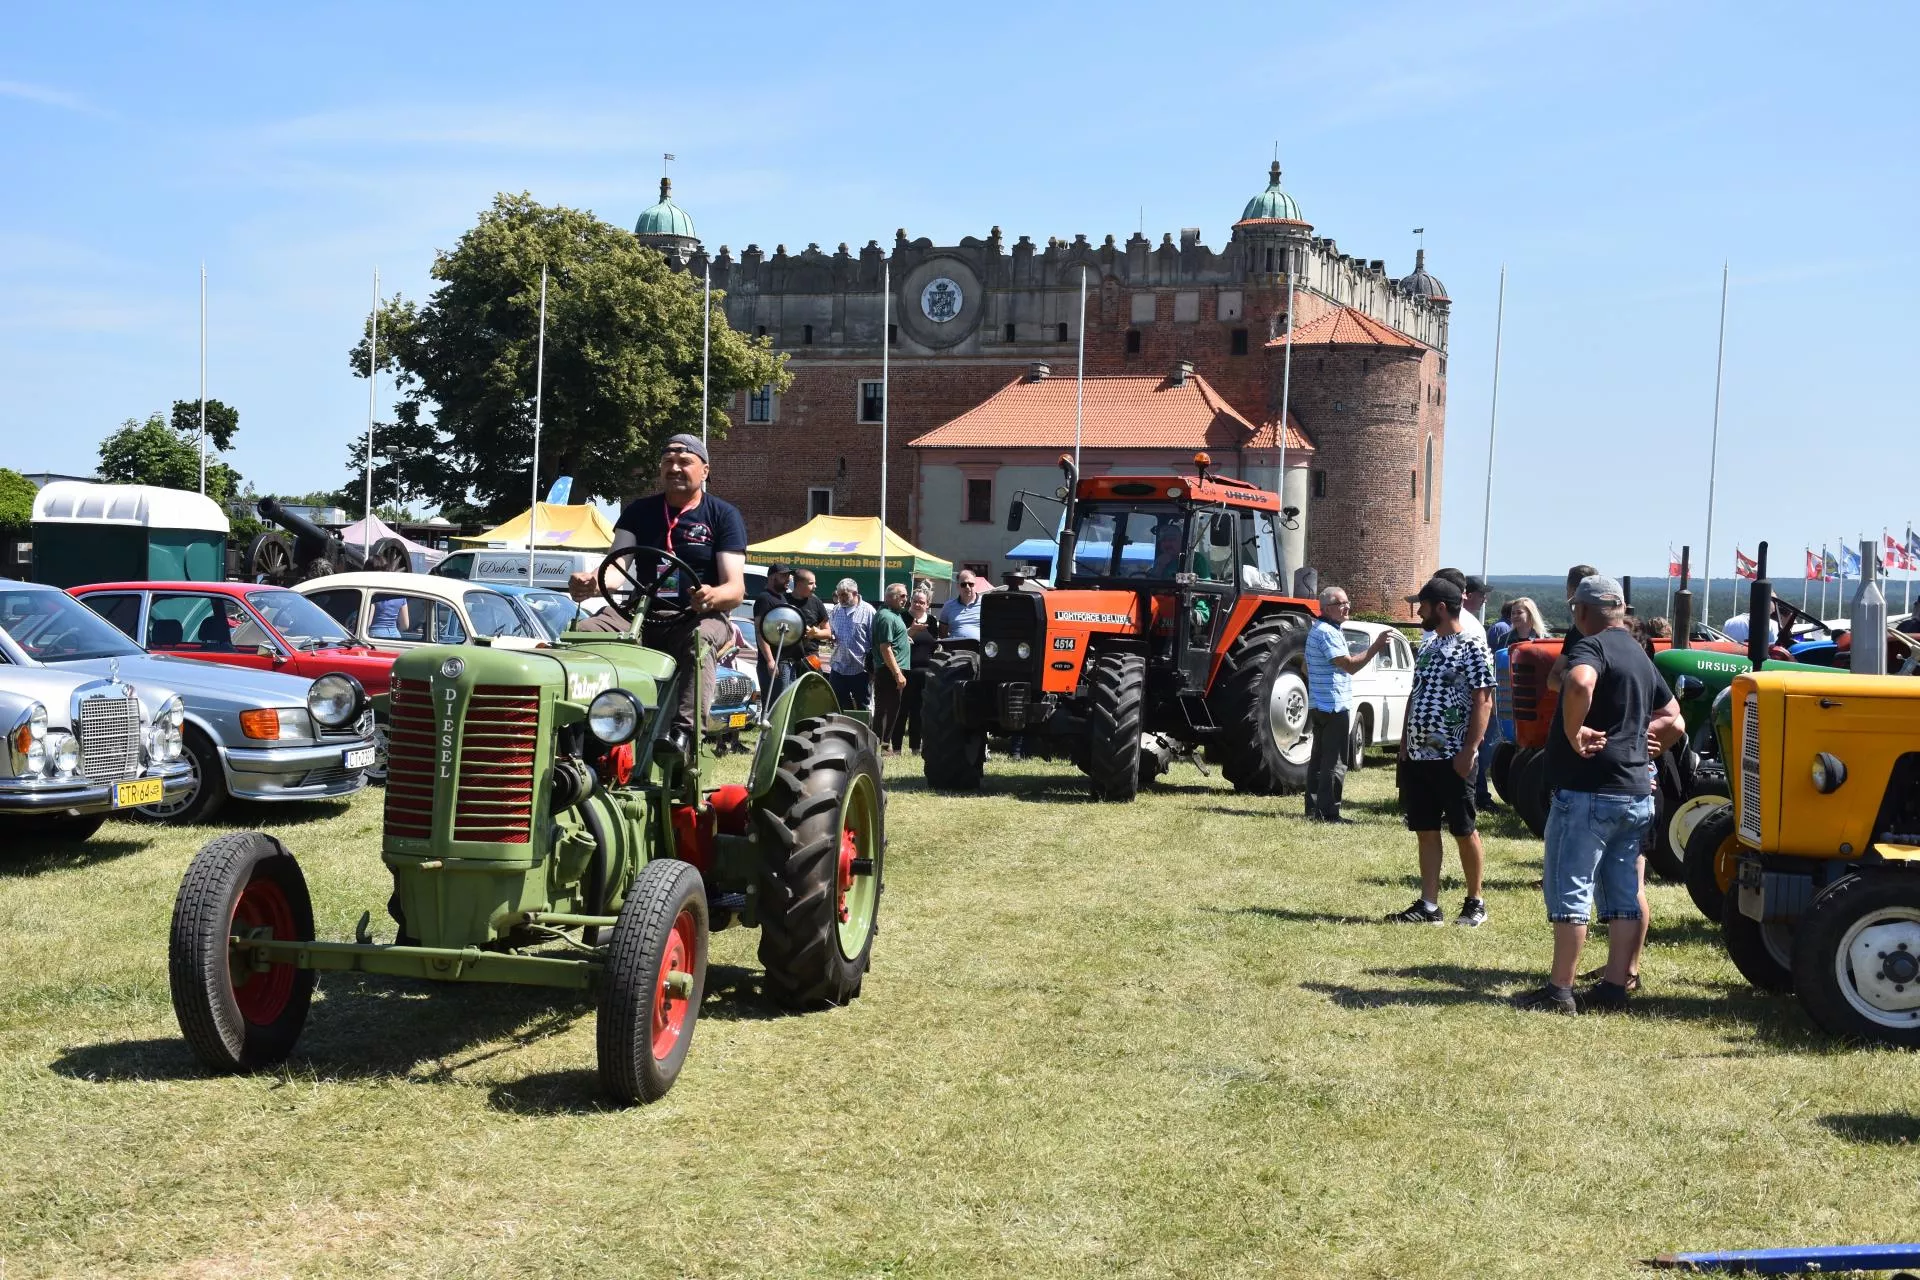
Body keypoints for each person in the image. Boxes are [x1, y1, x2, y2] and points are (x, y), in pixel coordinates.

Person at [1514, 575, 1685, 1014]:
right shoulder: (1637, 651)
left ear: (1581, 611)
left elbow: (1578, 684)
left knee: (1570, 887)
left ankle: (1560, 990)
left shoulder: (1591, 646)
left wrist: (1573, 732)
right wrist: (1651, 739)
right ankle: (1614, 986)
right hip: (1634, 792)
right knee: (1623, 891)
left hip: (1588, 791)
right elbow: (1674, 718)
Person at [567, 433, 747, 753]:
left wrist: (711, 596)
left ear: (704, 471)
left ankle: (683, 736)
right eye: (668, 462)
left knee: (699, 640)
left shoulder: (723, 515)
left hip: (697, 616)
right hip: (641, 613)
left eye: (684, 462)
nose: (675, 468)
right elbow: (617, 568)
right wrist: (591, 581)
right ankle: (579, 729)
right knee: (584, 632)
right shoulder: (640, 511)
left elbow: (735, 589)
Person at [1388, 576, 1495, 927]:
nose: (1419, 610)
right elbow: (1415, 695)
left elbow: (1484, 700)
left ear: (1441, 607)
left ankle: (1475, 901)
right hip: (1420, 756)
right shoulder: (1429, 647)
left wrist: (1470, 749)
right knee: (1426, 829)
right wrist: (1405, 742)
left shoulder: (1474, 646)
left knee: (1463, 829)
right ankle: (1429, 905)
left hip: (1453, 756)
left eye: (1423, 604)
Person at [1304, 586, 1390, 822]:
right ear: (1327, 608)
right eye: (1341, 604)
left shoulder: (1317, 630)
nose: (1347, 607)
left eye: (1347, 602)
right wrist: (1376, 647)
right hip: (1334, 705)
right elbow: (1350, 665)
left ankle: (1313, 809)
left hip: (1319, 704)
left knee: (1319, 759)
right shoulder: (1329, 633)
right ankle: (1329, 812)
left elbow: (1305, 667)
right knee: (1336, 761)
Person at [894, 588, 937, 754]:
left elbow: (935, 644)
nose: (918, 605)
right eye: (915, 601)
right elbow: (895, 642)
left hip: (926, 673)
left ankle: (915, 747)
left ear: (928, 605)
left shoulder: (932, 621)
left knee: (919, 711)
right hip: (905, 671)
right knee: (901, 710)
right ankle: (896, 747)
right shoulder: (902, 618)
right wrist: (910, 631)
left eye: (922, 602)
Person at [870, 583, 911, 752]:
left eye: (905, 596)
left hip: (890, 670)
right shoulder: (887, 616)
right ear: (889, 597)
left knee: (891, 708)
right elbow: (885, 647)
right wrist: (897, 673)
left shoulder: (894, 614)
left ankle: (883, 744)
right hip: (889, 671)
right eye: (901, 596)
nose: (905, 599)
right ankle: (882, 745)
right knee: (887, 709)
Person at [752, 562, 795, 717]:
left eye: (788, 575)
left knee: (783, 706)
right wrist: (770, 660)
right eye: (783, 576)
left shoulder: (782, 598)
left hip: (786, 661)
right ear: (772, 577)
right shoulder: (764, 599)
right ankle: (767, 740)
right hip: (773, 662)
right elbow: (759, 631)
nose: (788, 579)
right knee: (773, 708)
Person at [827, 578, 876, 710]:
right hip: (838, 667)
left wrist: (873, 669)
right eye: (839, 595)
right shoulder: (836, 610)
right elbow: (831, 632)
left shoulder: (868, 611)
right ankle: (842, 730)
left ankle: (863, 730)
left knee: (862, 706)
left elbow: (875, 642)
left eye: (844, 595)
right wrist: (831, 638)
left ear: (855, 593)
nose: (841, 598)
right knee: (838, 705)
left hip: (860, 669)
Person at [788, 569, 833, 671]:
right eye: (811, 583)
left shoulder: (816, 602)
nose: (815, 586)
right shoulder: (784, 601)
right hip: (787, 657)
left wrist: (814, 633)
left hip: (810, 657)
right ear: (799, 584)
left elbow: (828, 632)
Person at [939, 570, 983, 640]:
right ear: (957, 586)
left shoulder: (985, 604)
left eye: (971, 584)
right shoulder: (948, 606)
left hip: (979, 648)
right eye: (963, 584)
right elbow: (942, 633)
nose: (967, 587)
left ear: (975, 585)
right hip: (955, 649)